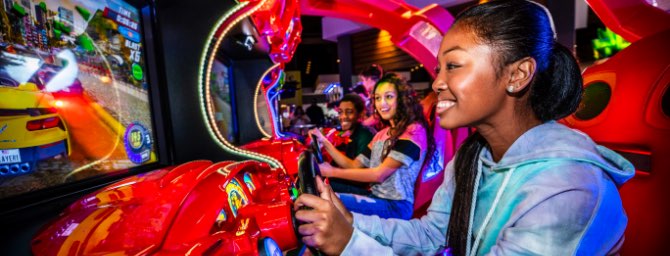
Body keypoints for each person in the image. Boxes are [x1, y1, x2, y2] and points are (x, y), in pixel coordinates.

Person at [294, 1, 635, 255]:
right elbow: (431, 235)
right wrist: (351, 225)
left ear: (516, 75)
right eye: (440, 68)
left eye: (453, 66)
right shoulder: (472, 158)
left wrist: (351, 244)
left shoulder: (568, 189)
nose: (438, 83)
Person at [309, 73, 435, 220]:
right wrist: (324, 141)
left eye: (388, 97)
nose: (382, 104)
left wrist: (331, 172)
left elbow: (379, 175)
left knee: (325, 201)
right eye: (377, 98)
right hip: (376, 197)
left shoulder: (413, 131)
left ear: (402, 99)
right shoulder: (381, 135)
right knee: (323, 195)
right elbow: (354, 165)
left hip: (396, 206)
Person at [315, 93, 375, 195]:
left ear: (360, 114)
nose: (343, 117)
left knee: (319, 184)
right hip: (354, 183)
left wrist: (324, 142)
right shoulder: (351, 133)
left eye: (349, 112)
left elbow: (357, 172)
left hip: (365, 189)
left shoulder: (365, 134)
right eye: (340, 112)